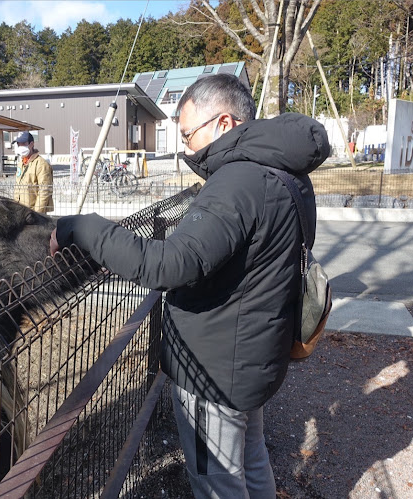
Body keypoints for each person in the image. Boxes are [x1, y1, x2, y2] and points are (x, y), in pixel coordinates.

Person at [49, 74, 330, 498]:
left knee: (216, 478)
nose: (185, 147)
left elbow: (168, 264)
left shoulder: (238, 182)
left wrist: (85, 227)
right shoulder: (285, 171)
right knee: (251, 458)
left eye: (188, 133)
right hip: (253, 352)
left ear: (224, 124)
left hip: (214, 370)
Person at [12, 131, 53, 214]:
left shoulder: (41, 164)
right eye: (18, 144)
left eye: (23, 143)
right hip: (20, 211)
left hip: (33, 212)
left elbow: (44, 191)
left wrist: (36, 214)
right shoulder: (21, 163)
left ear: (31, 144)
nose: (20, 146)